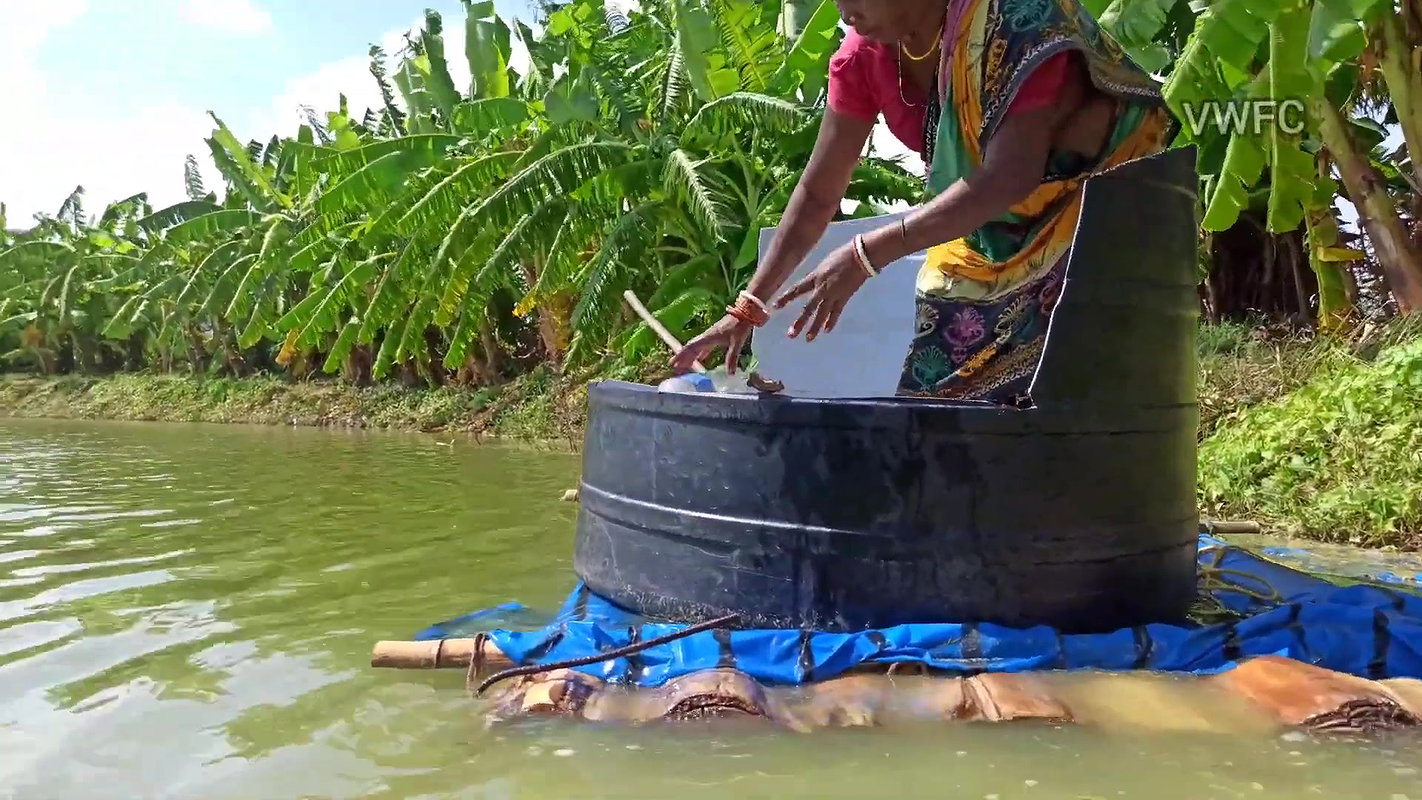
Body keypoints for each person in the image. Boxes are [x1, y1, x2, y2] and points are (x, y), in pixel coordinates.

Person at [669, 0, 1178, 406]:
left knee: (1075, 382)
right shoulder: (863, 57)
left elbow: (1010, 175)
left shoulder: (1021, 20)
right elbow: (819, 191)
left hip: (1104, 213)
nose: (844, 7)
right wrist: (749, 306)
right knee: (942, 346)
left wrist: (868, 253)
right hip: (997, 233)